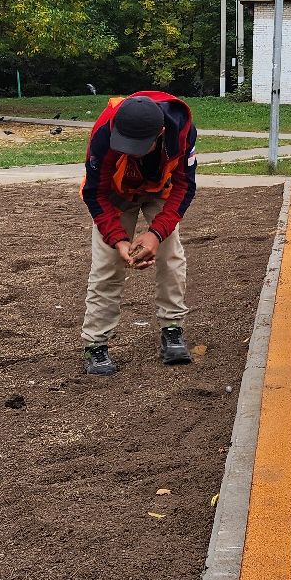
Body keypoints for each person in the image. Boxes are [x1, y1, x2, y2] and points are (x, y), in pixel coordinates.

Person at [79, 91, 197, 376]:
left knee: (170, 256)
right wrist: (118, 240)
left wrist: (156, 234)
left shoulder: (182, 132)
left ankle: (172, 330)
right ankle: (96, 344)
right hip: (115, 193)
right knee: (107, 264)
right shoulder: (104, 133)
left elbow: (185, 187)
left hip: (160, 189)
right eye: (125, 144)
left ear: (160, 133)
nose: (129, 151)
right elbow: (94, 192)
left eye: (137, 146)